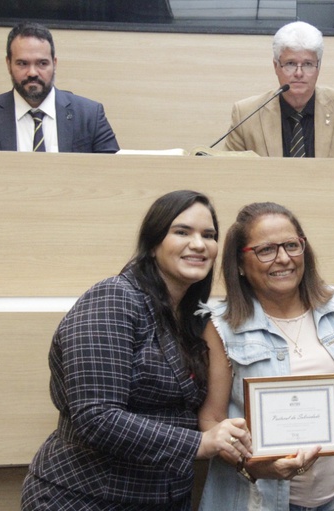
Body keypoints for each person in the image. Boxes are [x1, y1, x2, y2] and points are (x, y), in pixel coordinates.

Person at [21, 190, 251, 510]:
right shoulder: (113, 298)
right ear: (153, 243)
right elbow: (96, 416)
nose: (199, 244)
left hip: (165, 497)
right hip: (86, 497)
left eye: (209, 235)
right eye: (182, 232)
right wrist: (199, 443)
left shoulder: (191, 318)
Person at [199, 202, 334, 511]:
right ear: (240, 263)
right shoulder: (222, 326)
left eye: (291, 245)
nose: (284, 258)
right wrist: (251, 464)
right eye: (266, 250)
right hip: (259, 499)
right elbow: (212, 420)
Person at [0, 22, 119, 153]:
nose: (32, 73)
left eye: (42, 63)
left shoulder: (90, 115)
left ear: (54, 64)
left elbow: (116, 173)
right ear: (8, 64)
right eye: (22, 63)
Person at [223, 21, 334, 159]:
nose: (299, 73)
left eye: (308, 64)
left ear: (318, 67)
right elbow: (228, 173)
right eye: (290, 63)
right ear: (276, 66)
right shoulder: (246, 114)